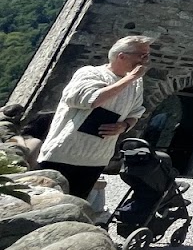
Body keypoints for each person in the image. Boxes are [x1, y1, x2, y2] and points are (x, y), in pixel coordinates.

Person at [36, 35, 152, 199]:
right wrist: (130, 78)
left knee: (75, 206)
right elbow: (91, 100)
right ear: (122, 56)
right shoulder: (91, 73)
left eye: (147, 55)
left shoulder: (136, 84)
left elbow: (136, 112)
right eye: (142, 55)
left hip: (96, 159)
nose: (145, 60)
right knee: (43, 203)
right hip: (63, 155)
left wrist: (124, 126)